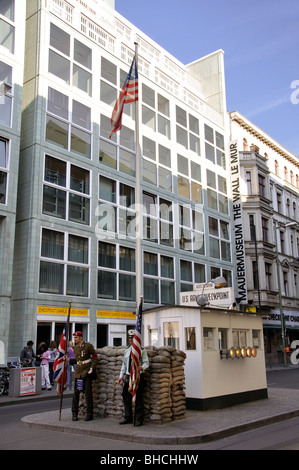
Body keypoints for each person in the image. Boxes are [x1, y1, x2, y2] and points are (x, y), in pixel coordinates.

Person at [117, 330, 149, 426]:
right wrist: (120, 377)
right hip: (128, 376)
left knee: (138, 398)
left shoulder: (142, 350)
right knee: (126, 397)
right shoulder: (127, 350)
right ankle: (128, 417)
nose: (131, 341)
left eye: (133, 339)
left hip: (137, 376)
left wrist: (142, 367)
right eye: (130, 339)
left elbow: (146, 362)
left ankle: (139, 418)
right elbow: (124, 365)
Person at [68, 331, 98, 422]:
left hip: (86, 372)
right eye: (74, 338)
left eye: (76, 337)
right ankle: (74, 413)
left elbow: (95, 357)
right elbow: (77, 360)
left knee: (88, 393)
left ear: (81, 337)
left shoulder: (88, 346)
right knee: (76, 394)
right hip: (78, 372)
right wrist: (69, 360)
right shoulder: (75, 348)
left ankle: (89, 414)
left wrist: (92, 368)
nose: (75, 339)